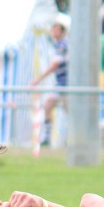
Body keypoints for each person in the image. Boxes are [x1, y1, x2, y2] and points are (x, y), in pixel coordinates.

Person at [30, 19, 69, 147]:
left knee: (68, 111)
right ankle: (47, 137)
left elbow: (55, 65)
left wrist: (38, 79)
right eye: (53, 29)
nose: (54, 31)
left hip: (66, 85)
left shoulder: (63, 45)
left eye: (56, 29)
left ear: (62, 32)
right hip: (61, 84)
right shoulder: (57, 45)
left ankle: (67, 137)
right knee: (48, 106)